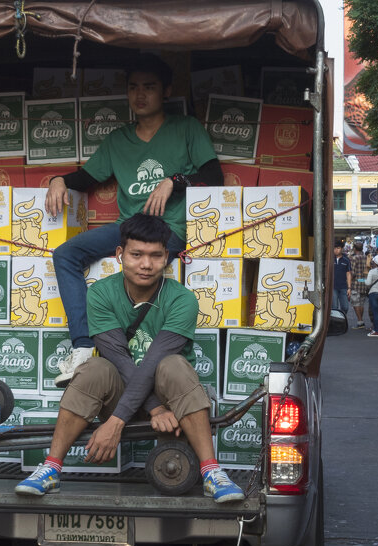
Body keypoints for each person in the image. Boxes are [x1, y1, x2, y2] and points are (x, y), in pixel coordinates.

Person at [15, 213, 244, 504]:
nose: (146, 265)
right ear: (120, 254)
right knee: (95, 366)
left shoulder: (182, 299)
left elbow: (153, 362)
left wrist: (118, 422)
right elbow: (120, 360)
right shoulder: (100, 293)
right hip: (128, 395)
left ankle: (212, 473)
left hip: (171, 400)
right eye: (136, 255)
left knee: (172, 364)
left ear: (167, 257)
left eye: (155, 256)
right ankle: (51, 469)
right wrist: (153, 410)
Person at [45, 53, 224, 386]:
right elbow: (85, 178)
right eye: (133, 87)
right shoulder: (118, 140)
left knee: (140, 269)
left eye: (150, 87)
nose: (140, 95)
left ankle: (123, 348)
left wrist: (175, 180)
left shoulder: (185, 128)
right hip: (129, 230)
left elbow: (215, 175)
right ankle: (83, 347)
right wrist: (59, 179)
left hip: (168, 232)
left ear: (166, 91)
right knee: (65, 254)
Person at [349, 241, 369, 328]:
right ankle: (361, 321)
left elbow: (352, 272)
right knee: (361, 303)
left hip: (356, 283)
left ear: (354, 249)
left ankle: (360, 321)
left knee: (356, 303)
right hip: (364, 282)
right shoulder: (366, 257)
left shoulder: (354, 258)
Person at [332, 241, 352, 316]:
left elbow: (348, 273)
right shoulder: (330, 259)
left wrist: (349, 288)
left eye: (338, 248)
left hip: (343, 287)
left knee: (345, 307)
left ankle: (342, 320)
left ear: (342, 249)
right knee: (334, 307)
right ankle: (336, 323)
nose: (336, 250)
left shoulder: (346, 260)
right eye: (334, 248)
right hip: (333, 287)